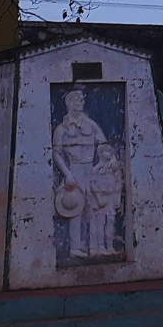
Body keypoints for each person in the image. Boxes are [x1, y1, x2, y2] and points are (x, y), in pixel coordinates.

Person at [52, 86, 108, 258]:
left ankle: (95, 246)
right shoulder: (61, 129)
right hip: (74, 170)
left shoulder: (91, 125)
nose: (82, 102)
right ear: (69, 103)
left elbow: (103, 146)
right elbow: (56, 153)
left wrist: (99, 168)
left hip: (90, 169)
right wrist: (67, 174)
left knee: (95, 209)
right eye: (78, 100)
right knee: (74, 208)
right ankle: (75, 247)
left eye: (83, 99)